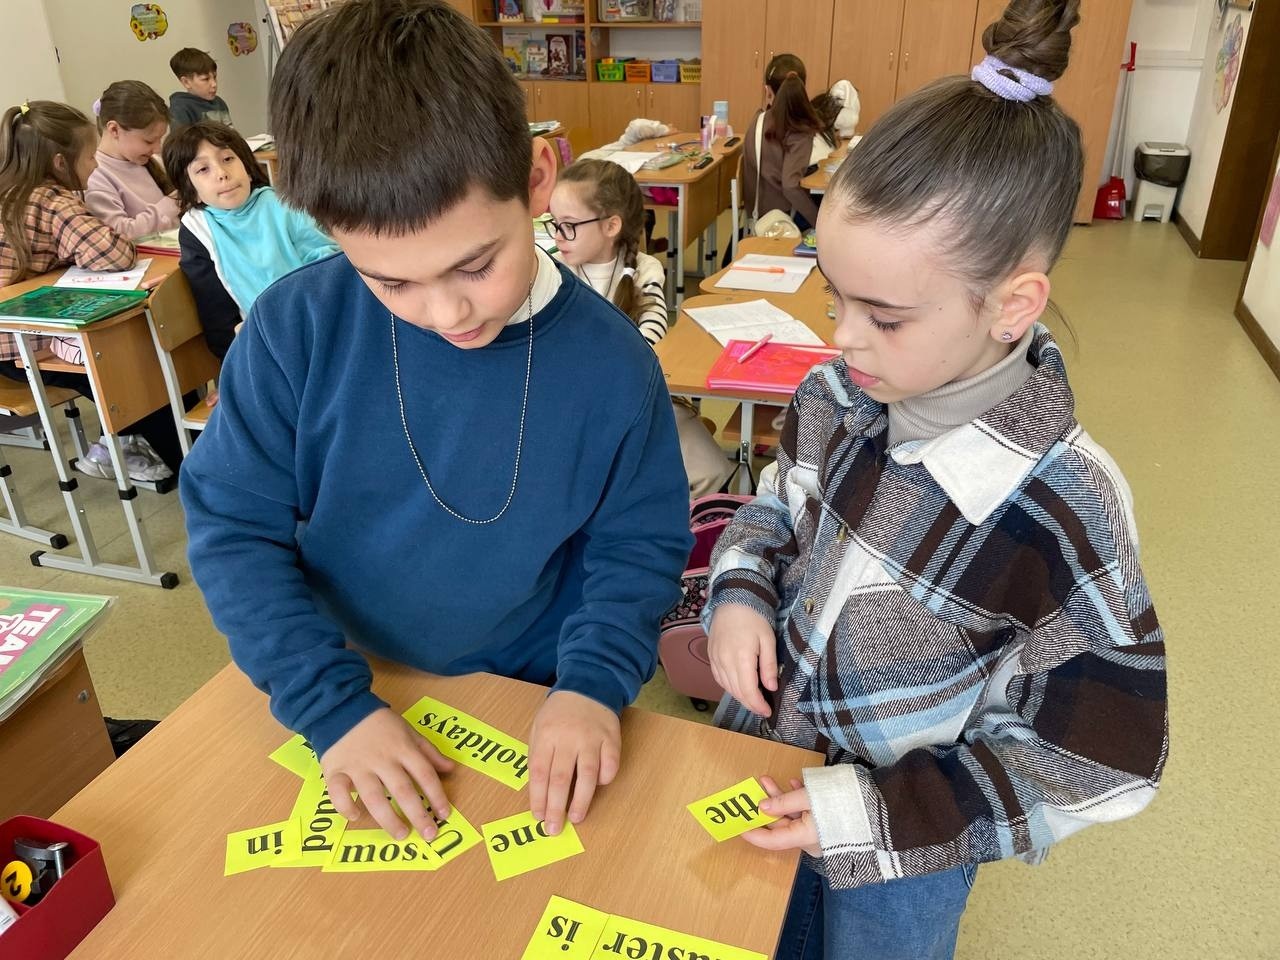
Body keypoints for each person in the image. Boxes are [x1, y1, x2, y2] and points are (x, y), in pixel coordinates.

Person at [705, 2, 1168, 957]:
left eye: (884, 316)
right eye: (835, 297)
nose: (842, 339)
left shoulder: (1066, 507)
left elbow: (1099, 763)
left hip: (904, 856)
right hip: (760, 765)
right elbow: (773, 510)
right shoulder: (836, 395)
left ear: (1012, 305)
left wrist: (867, 812)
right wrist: (740, 595)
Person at [180, 0, 692, 847]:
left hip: (529, 693)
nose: (447, 312)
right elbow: (233, 529)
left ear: (537, 178)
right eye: (391, 282)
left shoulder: (613, 365)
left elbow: (636, 548)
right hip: (341, 679)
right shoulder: (295, 328)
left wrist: (593, 684)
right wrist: (332, 708)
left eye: (476, 264)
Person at [0, 100, 180, 481]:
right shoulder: (49, 199)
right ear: (60, 163)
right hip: (16, 344)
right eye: (89, 157)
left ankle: (127, 444)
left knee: (136, 357)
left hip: (15, 332)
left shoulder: (10, 192)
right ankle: (185, 463)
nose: (96, 165)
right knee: (138, 367)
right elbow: (115, 254)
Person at [550, 158, 735, 499]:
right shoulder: (554, 272)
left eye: (569, 225)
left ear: (611, 226)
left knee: (710, 467)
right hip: (574, 410)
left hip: (632, 396)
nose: (559, 236)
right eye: (554, 223)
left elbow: (652, 335)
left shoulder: (644, 269)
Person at [163, 121, 336, 360]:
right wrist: (237, 365)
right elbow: (216, 315)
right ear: (190, 189)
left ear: (246, 164)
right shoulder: (197, 230)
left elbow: (328, 264)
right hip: (259, 346)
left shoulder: (281, 204)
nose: (222, 173)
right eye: (203, 169)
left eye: (227, 159)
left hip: (321, 325)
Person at [84, 80, 179, 240]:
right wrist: (172, 203)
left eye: (160, 139)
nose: (157, 149)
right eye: (149, 141)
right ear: (114, 129)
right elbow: (119, 235)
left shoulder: (153, 160)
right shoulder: (95, 176)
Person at [168, 47, 232, 128]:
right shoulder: (180, 108)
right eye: (206, 79)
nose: (214, 84)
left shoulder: (220, 103)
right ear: (186, 82)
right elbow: (181, 136)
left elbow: (230, 132)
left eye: (214, 77)